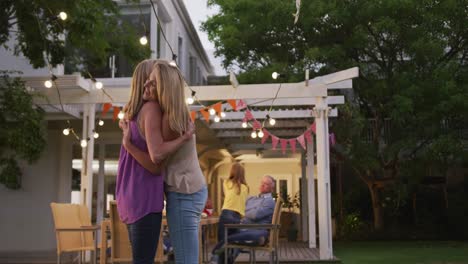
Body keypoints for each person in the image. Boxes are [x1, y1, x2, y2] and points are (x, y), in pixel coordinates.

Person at [121, 60, 207, 264]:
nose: (146, 86)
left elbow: (157, 156)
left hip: (183, 192)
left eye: (152, 84)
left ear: (165, 89)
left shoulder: (170, 118)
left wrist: (129, 145)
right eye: (147, 81)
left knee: (186, 260)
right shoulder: (173, 113)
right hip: (190, 190)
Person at [210, 175, 276, 264]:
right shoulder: (252, 198)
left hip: (258, 232)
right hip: (243, 228)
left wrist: (243, 212)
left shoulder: (269, 201)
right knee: (225, 232)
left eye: (266, 184)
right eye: (262, 183)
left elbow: (255, 215)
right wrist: (245, 211)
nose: (262, 185)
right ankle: (224, 259)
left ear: (272, 188)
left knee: (229, 237)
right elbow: (240, 208)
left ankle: (216, 257)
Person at [215, 163, 249, 250]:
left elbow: (227, 195)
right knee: (232, 243)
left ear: (232, 172)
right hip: (238, 217)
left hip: (226, 214)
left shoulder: (226, 183)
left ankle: (215, 258)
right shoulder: (246, 187)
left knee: (222, 242)